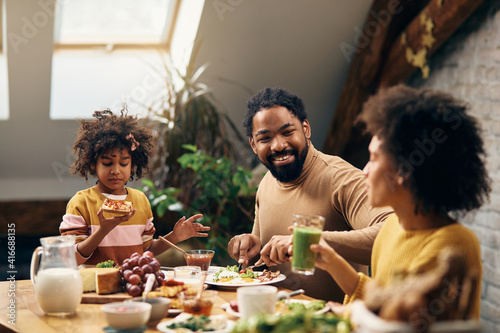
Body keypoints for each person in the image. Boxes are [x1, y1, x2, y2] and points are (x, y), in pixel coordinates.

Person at [310, 85, 490, 319]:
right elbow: (383, 297)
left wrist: (349, 312)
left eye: (374, 158)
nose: (365, 171)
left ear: (404, 170)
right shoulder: (393, 225)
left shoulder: (453, 246)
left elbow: (399, 319)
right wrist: (333, 263)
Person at [228, 87, 393, 302]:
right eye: (265, 138)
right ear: (253, 144)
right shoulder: (266, 183)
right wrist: (249, 244)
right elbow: (263, 252)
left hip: (332, 322)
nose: (278, 145)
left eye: (288, 132)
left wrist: (309, 241)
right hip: (274, 318)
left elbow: (391, 233)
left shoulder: (341, 178)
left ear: (305, 129)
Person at [60, 109, 210, 266]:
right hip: (95, 289)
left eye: (124, 163)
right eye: (107, 163)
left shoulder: (140, 200)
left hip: (133, 286)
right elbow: (71, 258)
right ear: (92, 164)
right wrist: (103, 230)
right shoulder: (81, 202)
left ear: (132, 165)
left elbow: (146, 249)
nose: (116, 170)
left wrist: (174, 236)